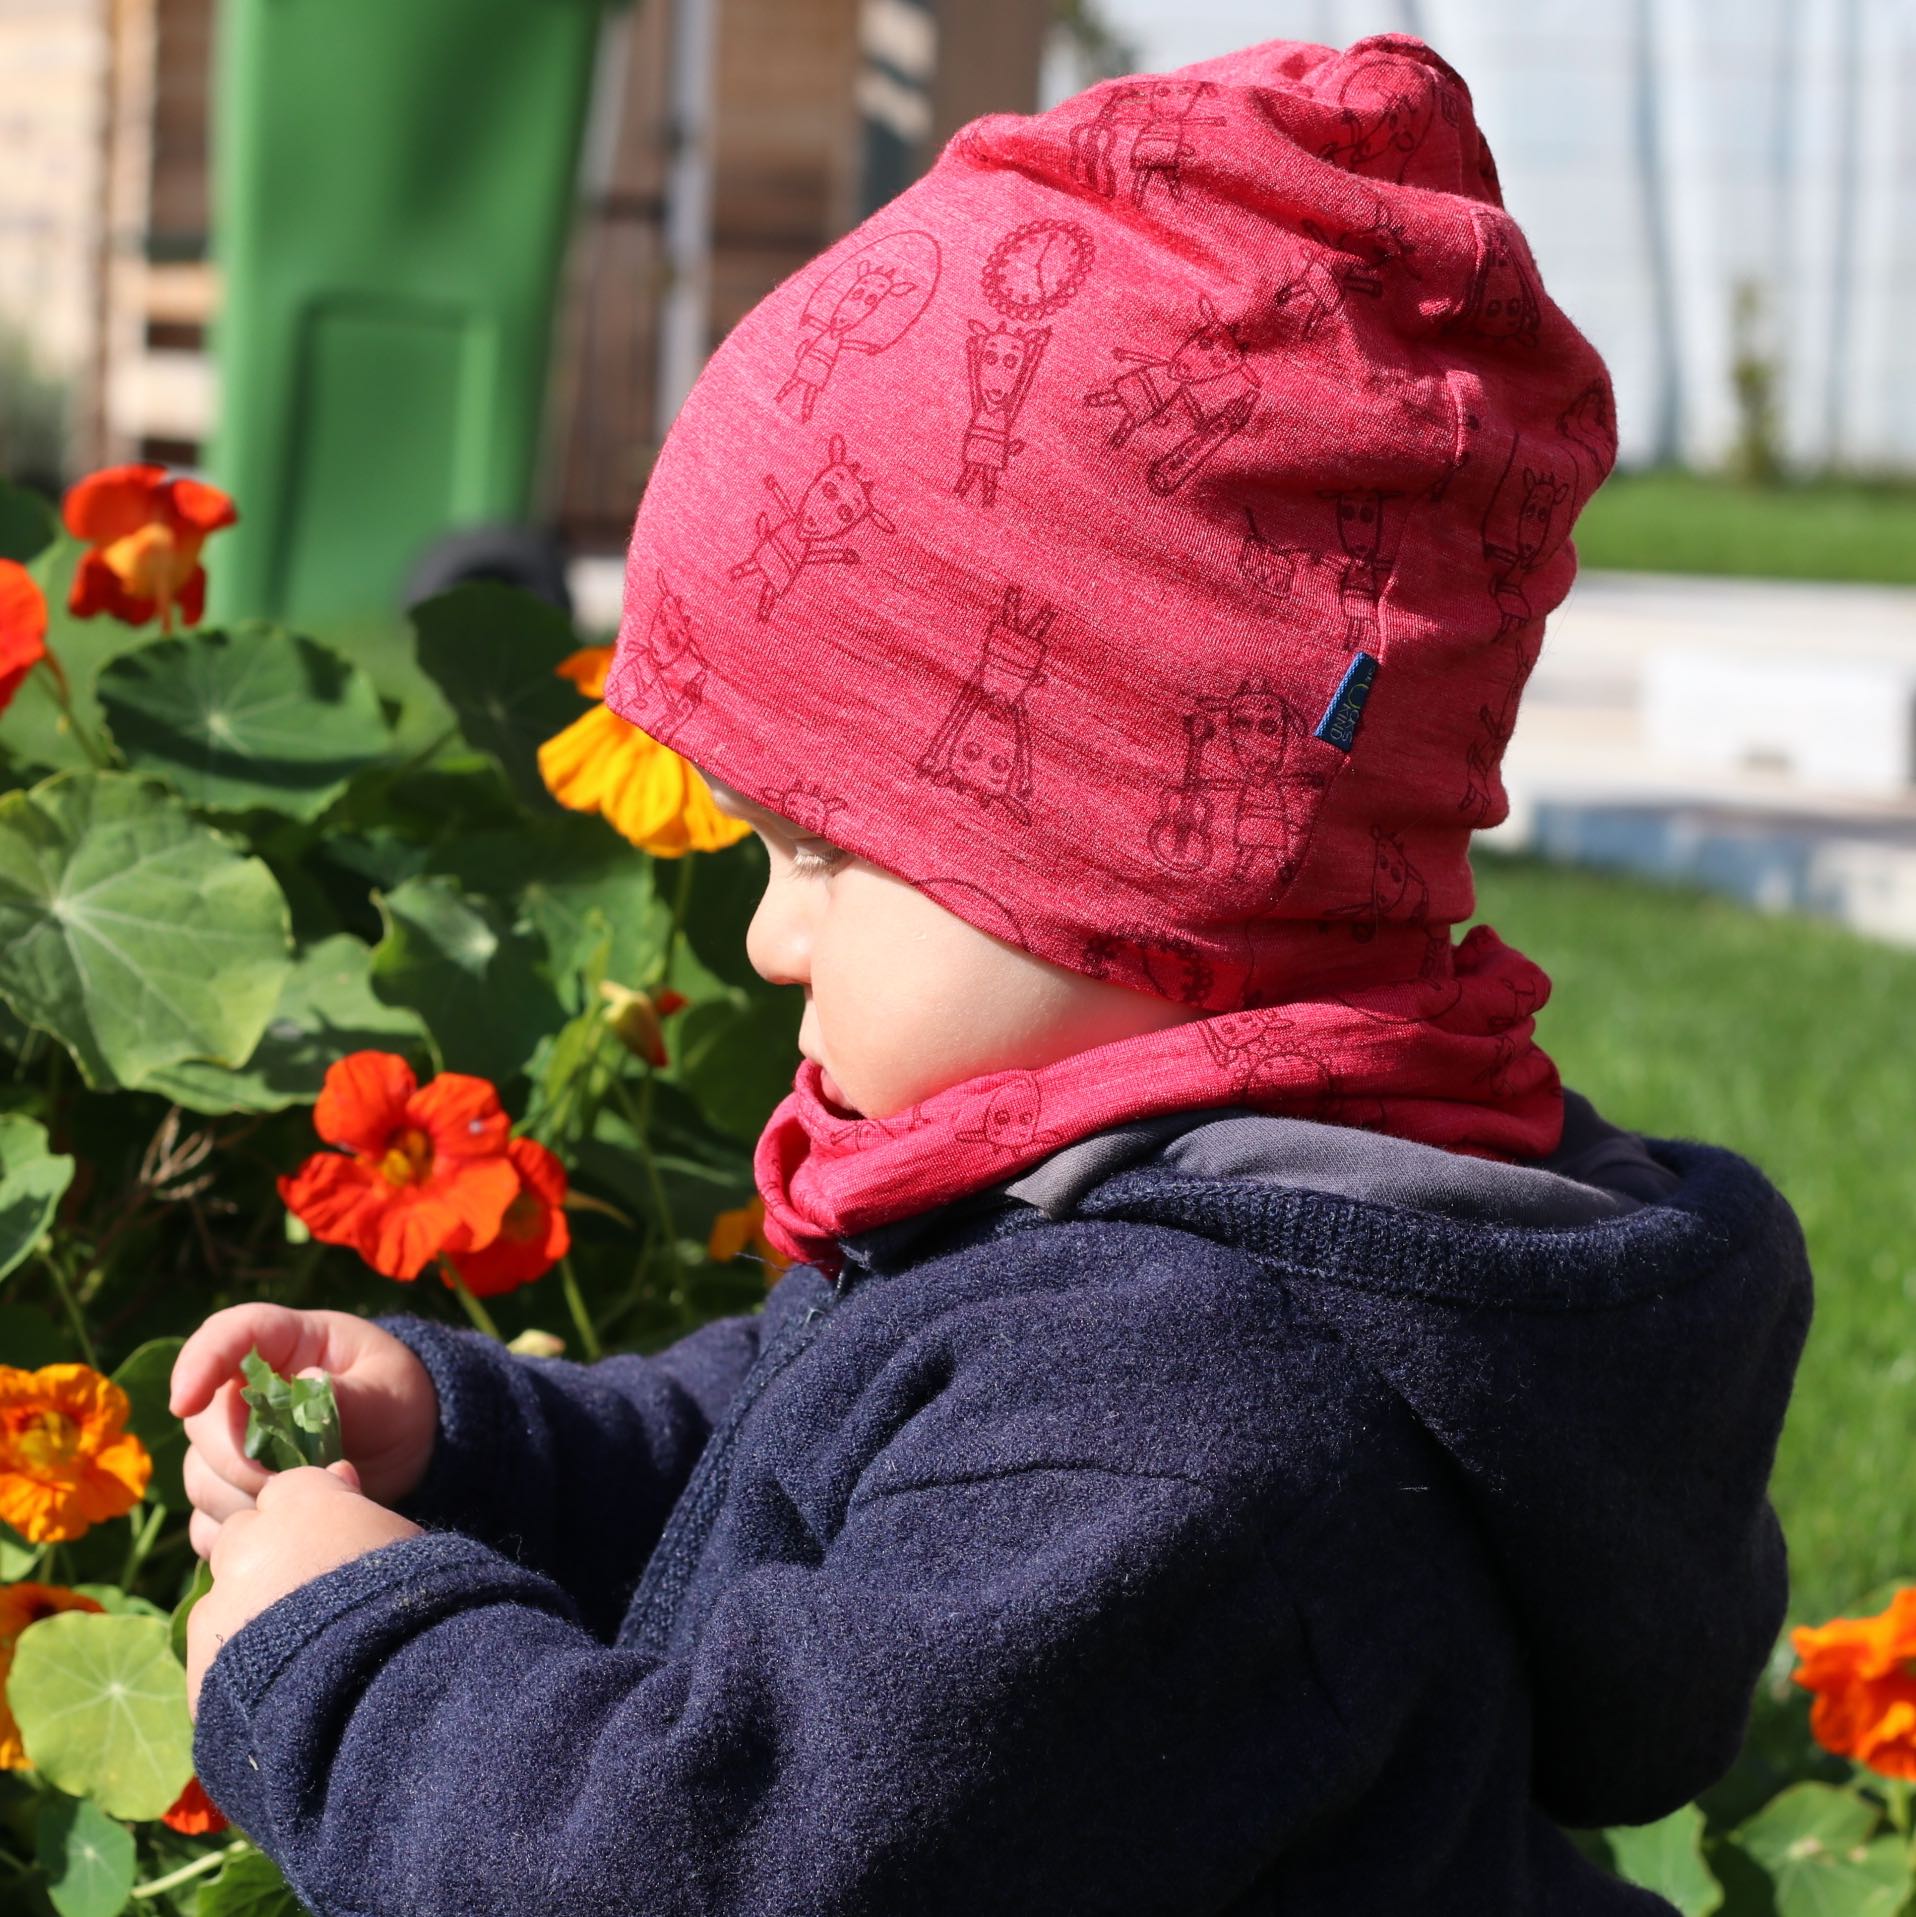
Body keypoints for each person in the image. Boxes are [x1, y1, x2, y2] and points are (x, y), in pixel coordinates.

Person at [171, 31, 1813, 1914]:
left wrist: (357, 1659)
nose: (769, 930)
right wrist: (479, 1441)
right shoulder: (1153, 1248)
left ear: (1125, 869)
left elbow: (701, 1869)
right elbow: (804, 1448)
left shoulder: (1176, 1431)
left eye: (821, 851)